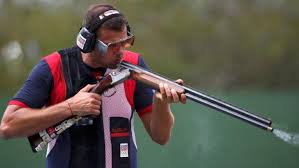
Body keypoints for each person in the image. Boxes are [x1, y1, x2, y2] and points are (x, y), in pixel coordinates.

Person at [0, 3, 186, 168]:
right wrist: (70, 107)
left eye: (124, 42)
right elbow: (8, 126)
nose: (120, 52)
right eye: (112, 45)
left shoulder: (134, 65)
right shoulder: (53, 66)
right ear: (88, 41)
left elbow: (161, 137)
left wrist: (161, 102)